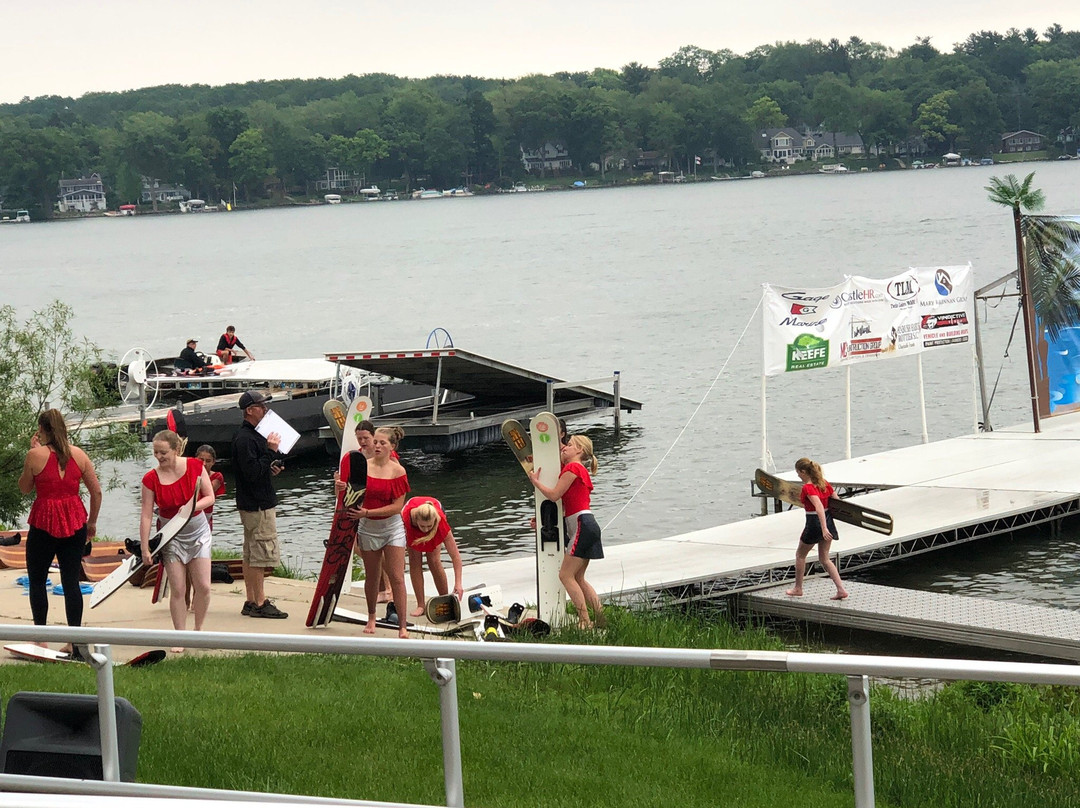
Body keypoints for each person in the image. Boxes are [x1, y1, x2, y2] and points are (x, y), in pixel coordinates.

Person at [17, 409, 102, 653]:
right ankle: (74, 640)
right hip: (74, 520)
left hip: (44, 521)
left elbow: (24, 488)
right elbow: (96, 492)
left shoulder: (35, 455)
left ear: (42, 430)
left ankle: (41, 637)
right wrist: (92, 522)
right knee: (71, 581)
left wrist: (31, 451)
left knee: (37, 579)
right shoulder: (79, 454)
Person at [140, 430, 216, 651]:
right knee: (178, 588)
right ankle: (180, 636)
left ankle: (198, 631)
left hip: (197, 530)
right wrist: (145, 547)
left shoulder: (194, 466)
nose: (159, 456)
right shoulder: (150, 478)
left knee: (203, 586)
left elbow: (209, 496)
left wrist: (192, 506)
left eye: (163, 452)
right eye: (155, 452)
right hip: (171, 535)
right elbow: (146, 515)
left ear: (175, 449)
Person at [528, 434, 605, 629]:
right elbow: (566, 504)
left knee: (565, 575)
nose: (565, 448)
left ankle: (585, 621)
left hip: (581, 523)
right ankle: (600, 619)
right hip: (586, 523)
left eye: (569, 445)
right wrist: (542, 520)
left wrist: (535, 482)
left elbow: (554, 495)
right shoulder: (578, 469)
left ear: (579, 450)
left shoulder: (573, 467)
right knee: (578, 577)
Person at [345, 427, 410, 637]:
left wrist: (367, 512)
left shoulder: (397, 470)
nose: (378, 446)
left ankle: (402, 625)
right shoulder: (364, 466)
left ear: (392, 447)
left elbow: (397, 506)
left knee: (397, 577)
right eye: (376, 442)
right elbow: (350, 490)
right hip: (368, 527)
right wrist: (340, 485)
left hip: (391, 527)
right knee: (372, 576)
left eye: (383, 443)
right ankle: (371, 616)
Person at [232, 389, 288, 619]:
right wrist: (271, 451)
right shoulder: (245, 438)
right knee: (260, 553)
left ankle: (250, 599)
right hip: (257, 505)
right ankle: (260, 601)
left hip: (253, 501)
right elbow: (253, 472)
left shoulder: (252, 436)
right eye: (261, 407)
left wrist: (271, 466)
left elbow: (256, 470)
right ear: (250, 411)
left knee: (250, 553)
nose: (265, 410)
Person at [784, 457, 848, 601]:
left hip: (815, 523)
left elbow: (818, 506)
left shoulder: (808, 487)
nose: (798, 476)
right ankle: (841, 589)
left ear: (803, 471)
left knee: (800, 555)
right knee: (824, 558)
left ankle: (798, 588)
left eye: (798, 472)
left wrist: (823, 528)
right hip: (828, 520)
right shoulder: (823, 483)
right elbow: (837, 502)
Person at [402, 497, 464, 617]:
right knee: (414, 561)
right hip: (411, 525)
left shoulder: (440, 524)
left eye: (428, 527)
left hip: (434, 515)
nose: (425, 530)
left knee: (434, 561)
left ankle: (444, 599)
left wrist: (458, 583)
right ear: (416, 520)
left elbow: (455, 556)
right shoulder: (405, 519)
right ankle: (420, 605)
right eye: (422, 526)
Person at [196, 445, 226, 531]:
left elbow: (208, 492)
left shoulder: (217, 477)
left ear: (213, 462)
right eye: (201, 460)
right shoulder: (189, 474)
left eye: (208, 461)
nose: (204, 464)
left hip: (206, 515)